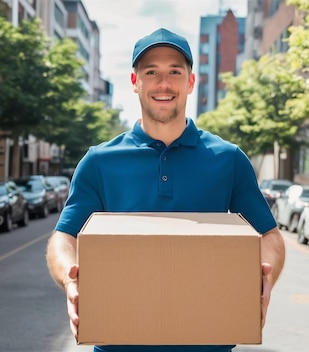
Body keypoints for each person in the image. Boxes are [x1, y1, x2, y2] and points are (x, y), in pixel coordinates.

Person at [46, 27, 286, 352]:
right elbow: (64, 238)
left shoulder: (228, 159)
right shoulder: (99, 162)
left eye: (175, 71)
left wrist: (263, 278)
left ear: (190, 82)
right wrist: (70, 278)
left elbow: (269, 235)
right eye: (151, 72)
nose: (163, 83)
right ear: (135, 82)